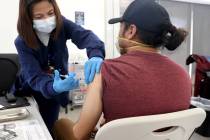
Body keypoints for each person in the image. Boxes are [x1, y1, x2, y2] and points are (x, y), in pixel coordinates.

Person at [53, 0, 191, 139]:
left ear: (131, 31)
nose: (118, 32)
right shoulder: (184, 76)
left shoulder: (103, 72)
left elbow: (79, 136)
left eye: (121, 26)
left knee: (61, 124)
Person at [12, 0, 105, 134]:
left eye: (50, 13)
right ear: (28, 18)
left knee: (49, 129)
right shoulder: (22, 41)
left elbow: (86, 36)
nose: (47, 20)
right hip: (28, 90)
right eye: (39, 17)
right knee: (29, 130)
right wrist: (53, 86)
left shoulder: (61, 24)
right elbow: (34, 76)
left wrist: (96, 54)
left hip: (53, 93)